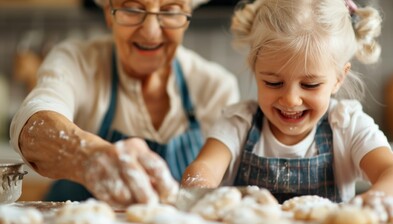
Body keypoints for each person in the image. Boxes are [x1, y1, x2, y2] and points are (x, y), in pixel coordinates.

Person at [181, 0, 393, 206]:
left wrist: (374, 202)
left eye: (310, 85)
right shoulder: (238, 124)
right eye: (273, 83)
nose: (291, 99)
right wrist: (201, 194)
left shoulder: (346, 125)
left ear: (338, 79)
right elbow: (203, 171)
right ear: (255, 71)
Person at [9, 0, 240, 207]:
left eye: (170, 10)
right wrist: (88, 156)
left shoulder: (216, 89)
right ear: (109, 14)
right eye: (132, 8)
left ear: (187, 17)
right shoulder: (77, 62)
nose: (150, 32)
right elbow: (32, 126)